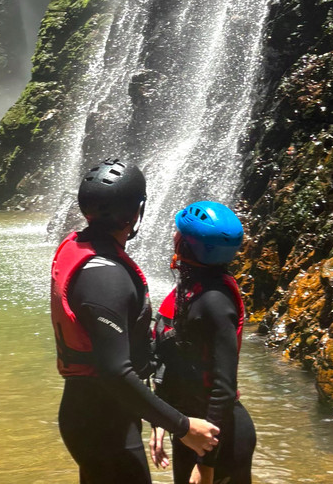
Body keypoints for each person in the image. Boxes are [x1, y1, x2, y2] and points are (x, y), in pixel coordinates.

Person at [51, 159, 221, 483]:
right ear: (134, 214)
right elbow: (115, 371)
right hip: (102, 420)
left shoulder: (80, 247)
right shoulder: (106, 278)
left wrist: (155, 415)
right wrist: (183, 426)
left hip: (93, 411)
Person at [149, 201, 256, 484]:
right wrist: (161, 420)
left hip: (219, 438)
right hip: (191, 429)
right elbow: (172, 362)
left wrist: (206, 465)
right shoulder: (189, 289)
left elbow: (223, 385)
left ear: (188, 245)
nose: (173, 237)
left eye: (179, 234)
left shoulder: (214, 301)